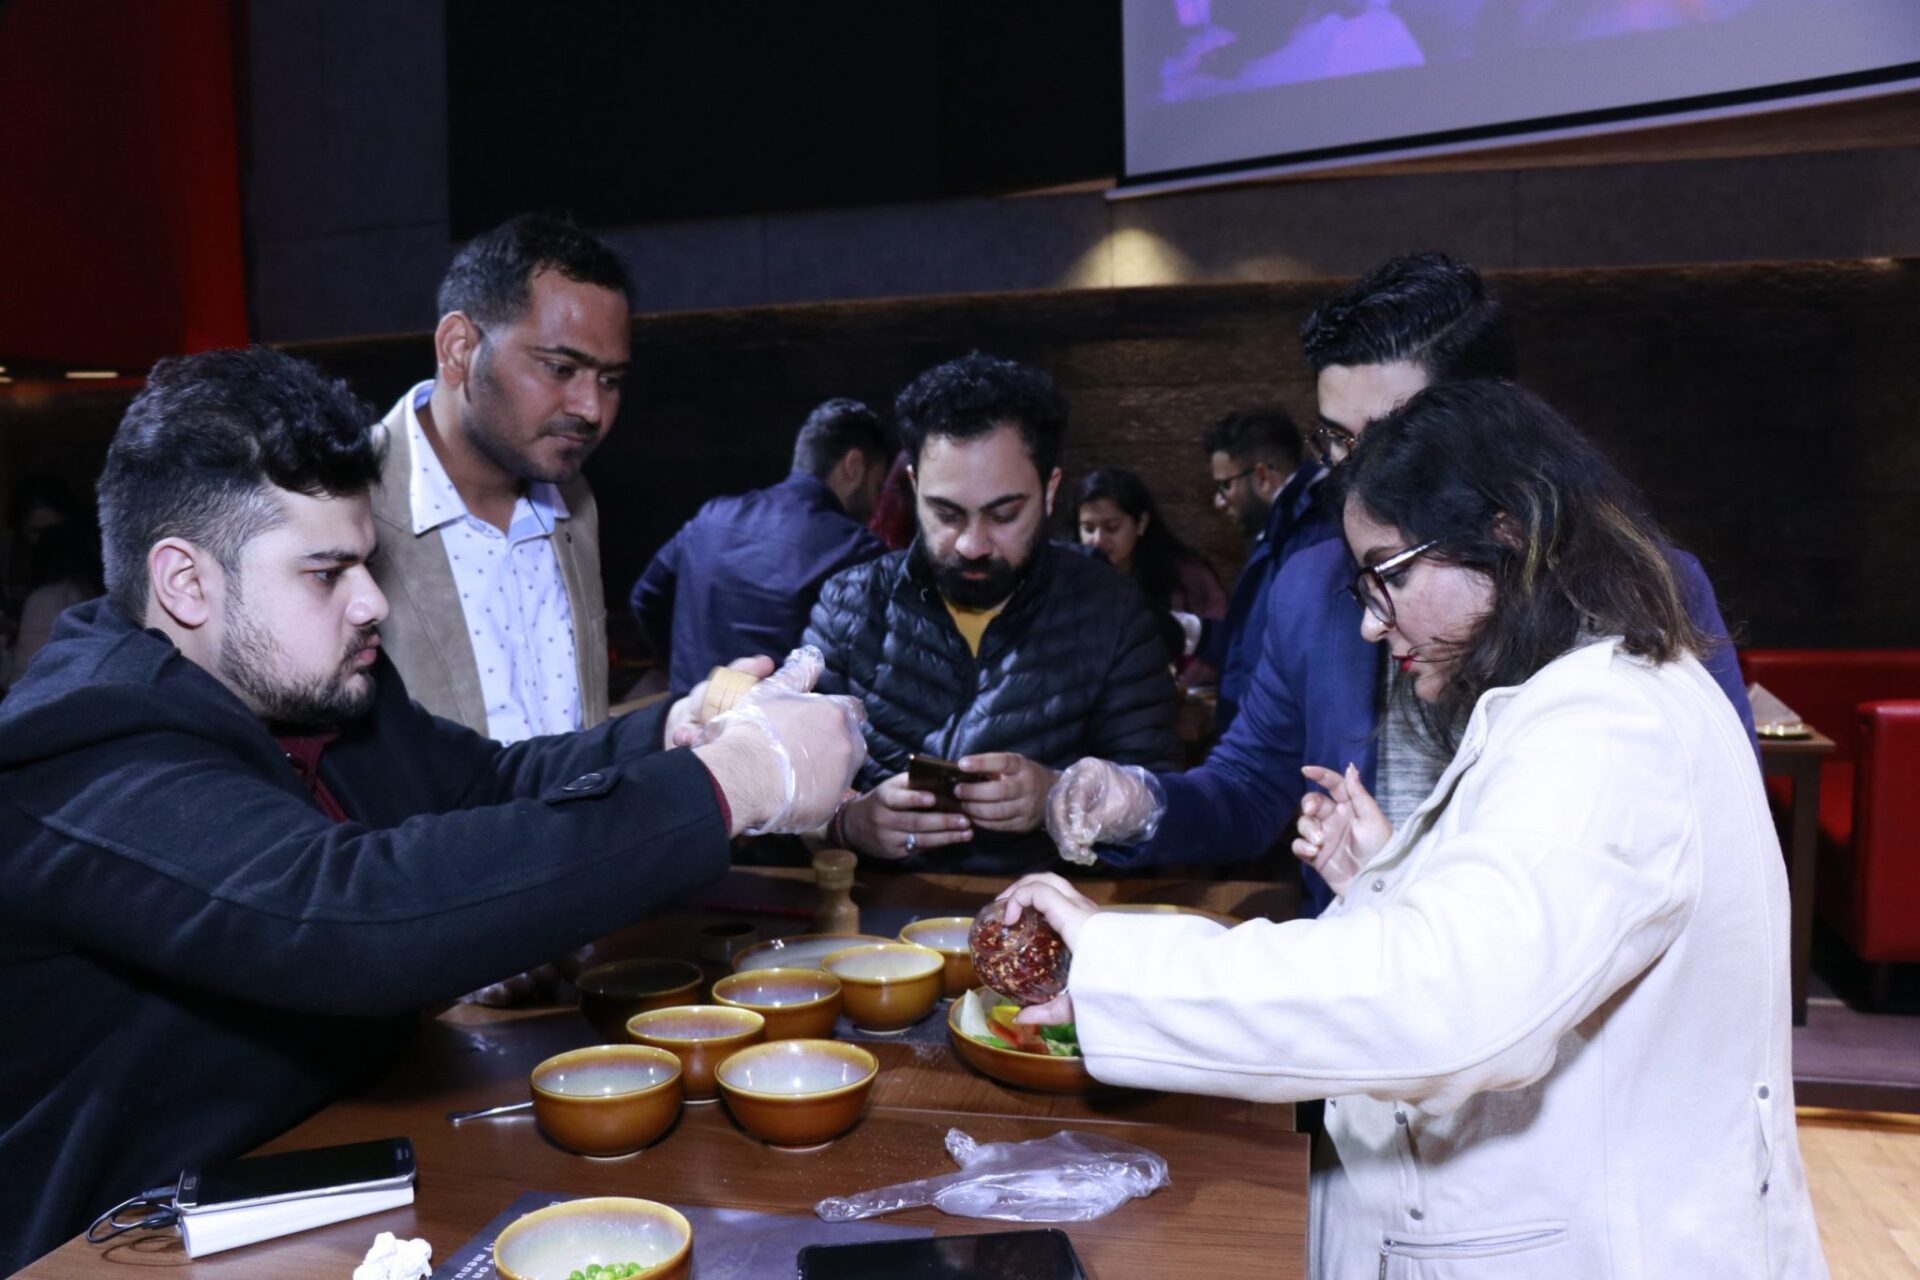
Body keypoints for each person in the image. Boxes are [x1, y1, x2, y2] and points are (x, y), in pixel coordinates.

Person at [0, 346, 866, 1271]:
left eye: (366, 563)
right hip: (116, 1245)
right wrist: (735, 785)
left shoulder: (309, 688)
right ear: (185, 583)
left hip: (334, 1179)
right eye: (325, 573)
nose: (372, 602)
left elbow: (488, 786)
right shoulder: (86, 739)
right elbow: (345, 919)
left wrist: (675, 737)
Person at [1006, 380, 1828, 1280]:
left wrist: (1122, 963)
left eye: (1390, 575)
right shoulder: (1579, 697)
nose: (1367, 620)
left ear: (1507, 532)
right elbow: (1531, 936)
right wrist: (1396, 876)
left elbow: (1452, 1001)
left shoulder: (1607, 722)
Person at [1051, 252, 1754, 914]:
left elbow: (1716, 849)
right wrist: (1135, 802)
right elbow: (1248, 789)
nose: (1353, 476)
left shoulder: (1640, 593)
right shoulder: (1312, 588)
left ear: (1490, 420)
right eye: (1335, 441)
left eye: (1390, 439)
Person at [803, 353, 1180, 874]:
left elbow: (1159, 805)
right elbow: (782, 782)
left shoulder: (1111, 612)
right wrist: (849, 820)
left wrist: (1058, 796)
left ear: (1049, 493)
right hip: (877, 926)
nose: (973, 544)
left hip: (1049, 920)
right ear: (913, 489)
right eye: (946, 513)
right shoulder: (850, 605)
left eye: (1003, 515)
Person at [369, 213, 631, 743]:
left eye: (609, 379)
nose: (591, 409)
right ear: (458, 349)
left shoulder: (574, 501)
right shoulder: (345, 503)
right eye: (559, 368)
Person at [632, 398, 890, 694]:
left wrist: (685, 671)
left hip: (686, 724)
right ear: (853, 466)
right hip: (777, 735)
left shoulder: (713, 516)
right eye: (877, 485)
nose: (875, 504)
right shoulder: (856, 549)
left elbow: (646, 597)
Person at [1197, 407, 1336, 730]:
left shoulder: (1312, 533)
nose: (1219, 501)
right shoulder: (1283, 528)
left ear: (1262, 476)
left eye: (1224, 486)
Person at [1074, 466, 1227, 686]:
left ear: (1141, 523)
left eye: (1112, 527)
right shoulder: (1069, 580)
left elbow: (1224, 648)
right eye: (1088, 528)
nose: (1098, 539)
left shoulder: (1188, 577)